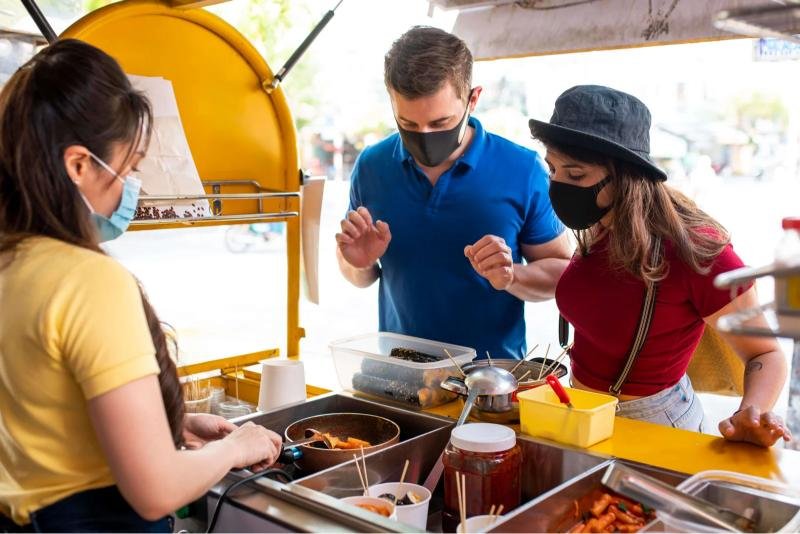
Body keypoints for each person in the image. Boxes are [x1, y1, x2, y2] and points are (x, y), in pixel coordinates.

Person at [0, 39, 282, 531]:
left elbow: (44, 416)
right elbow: (156, 491)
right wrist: (236, 447)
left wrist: (168, 427)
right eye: (129, 167)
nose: (134, 185)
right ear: (79, 165)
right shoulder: (87, 281)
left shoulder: (11, 260)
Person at [529, 85, 791, 447]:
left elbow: (766, 352)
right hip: (584, 411)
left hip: (654, 424)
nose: (557, 185)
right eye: (552, 169)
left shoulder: (695, 250)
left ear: (625, 177)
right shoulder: (599, 226)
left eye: (575, 176)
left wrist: (753, 412)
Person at [335, 26, 571, 358]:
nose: (425, 135)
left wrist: (511, 275)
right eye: (409, 124)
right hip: (400, 373)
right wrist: (358, 263)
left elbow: (563, 272)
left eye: (441, 123)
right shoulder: (372, 166)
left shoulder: (522, 169)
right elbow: (359, 275)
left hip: (489, 384)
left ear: (473, 99)